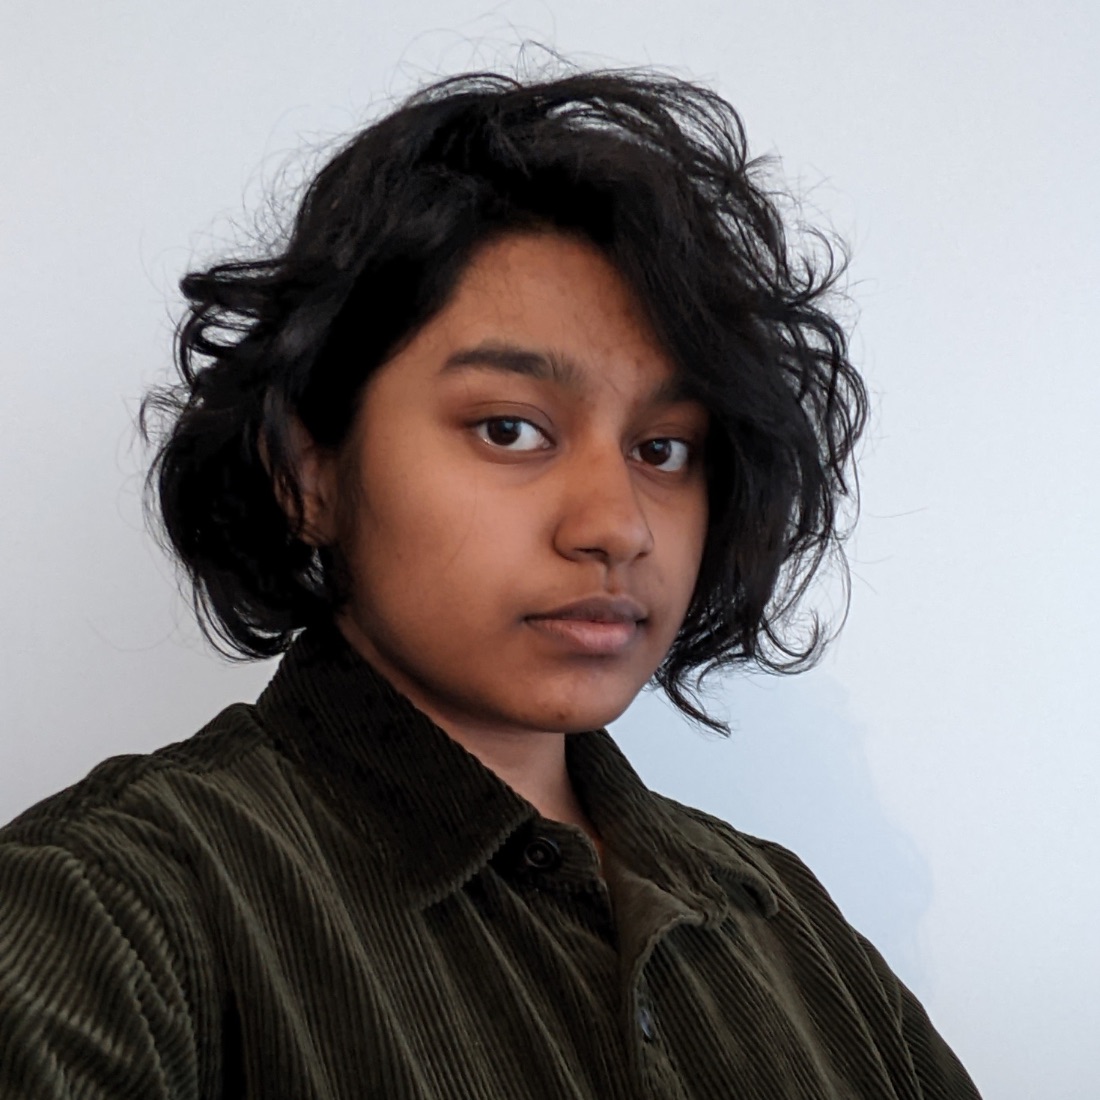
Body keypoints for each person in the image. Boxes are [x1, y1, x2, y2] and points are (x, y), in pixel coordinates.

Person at [0, 66, 983, 1098]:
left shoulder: (796, 932)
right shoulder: (112, 912)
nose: (615, 525)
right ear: (307, 470)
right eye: (508, 428)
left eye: (663, 446)